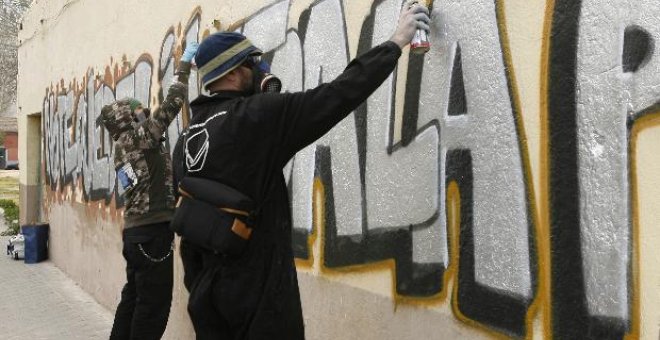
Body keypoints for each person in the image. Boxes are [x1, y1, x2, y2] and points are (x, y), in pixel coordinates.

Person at [176, 3, 430, 339]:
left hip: (208, 295)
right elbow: (338, 93)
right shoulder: (257, 117)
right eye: (254, 64)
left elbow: (188, 226)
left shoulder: (188, 135)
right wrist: (395, 42)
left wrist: (200, 289)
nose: (261, 69)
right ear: (236, 73)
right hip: (260, 296)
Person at [100, 41, 198, 340]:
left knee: (133, 299)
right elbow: (173, 102)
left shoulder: (122, 147)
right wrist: (183, 67)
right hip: (152, 235)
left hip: (135, 235)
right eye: (139, 112)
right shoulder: (139, 138)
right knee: (153, 306)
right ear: (128, 119)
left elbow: (146, 182)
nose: (144, 114)